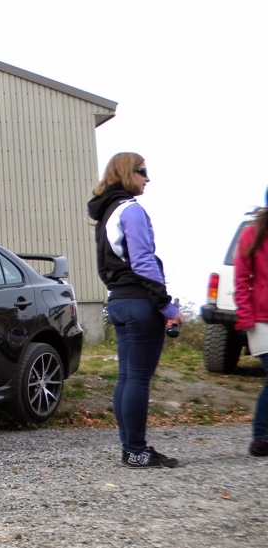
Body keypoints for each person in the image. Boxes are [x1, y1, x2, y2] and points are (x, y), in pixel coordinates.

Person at [88, 152, 183, 468]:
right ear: (128, 173)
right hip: (141, 304)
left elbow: (105, 266)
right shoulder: (131, 211)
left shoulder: (106, 213)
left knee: (127, 378)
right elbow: (143, 262)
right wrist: (166, 306)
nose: (147, 178)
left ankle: (131, 448)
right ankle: (137, 450)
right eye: (142, 172)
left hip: (118, 301)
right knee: (138, 379)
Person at [233, 204, 268, 456]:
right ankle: (260, 438)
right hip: (262, 320)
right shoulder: (252, 233)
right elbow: (242, 278)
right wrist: (245, 317)